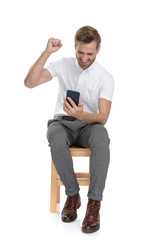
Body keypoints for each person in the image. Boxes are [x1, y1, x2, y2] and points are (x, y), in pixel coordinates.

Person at [24, 26, 114, 233]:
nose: (84, 58)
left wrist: (81, 115)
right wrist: (46, 52)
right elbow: (29, 83)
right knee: (54, 133)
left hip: (88, 126)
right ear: (75, 46)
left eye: (89, 54)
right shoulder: (63, 65)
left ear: (98, 49)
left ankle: (94, 205)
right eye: (80, 52)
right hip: (62, 124)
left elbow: (103, 117)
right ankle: (72, 196)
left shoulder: (105, 77)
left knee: (102, 135)